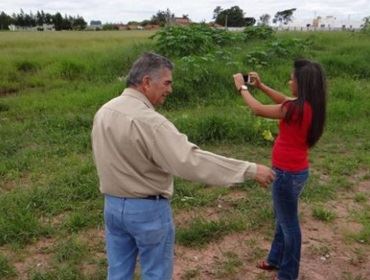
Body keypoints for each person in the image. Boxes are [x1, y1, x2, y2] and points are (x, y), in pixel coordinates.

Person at [92, 52, 275, 280]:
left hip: (112, 206)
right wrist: (249, 169)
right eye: (167, 83)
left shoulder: (105, 111)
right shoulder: (151, 122)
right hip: (147, 211)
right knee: (156, 274)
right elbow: (191, 161)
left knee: (118, 273)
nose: (170, 90)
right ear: (147, 82)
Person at [233, 59, 327, 280]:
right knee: (283, 218)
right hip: (297, 172)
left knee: (289, 225)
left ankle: (287, 274)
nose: (289, 81)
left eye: (292, 78)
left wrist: (242, 87)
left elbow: (257, 109)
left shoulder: (295, 109)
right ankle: (275, 259)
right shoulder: (309, 105)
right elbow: (284, 101)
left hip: (286, 174)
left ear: (301, 83)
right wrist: (262, 86)